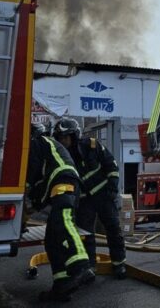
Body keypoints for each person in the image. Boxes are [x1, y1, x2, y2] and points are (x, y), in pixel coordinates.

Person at [52, 117, 127, 279]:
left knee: (113, 229)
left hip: (104, 196)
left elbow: (111, 165)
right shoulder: (61, 158)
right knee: (86, 235)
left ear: (74, 135)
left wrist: (112, 188)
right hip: (84, 201)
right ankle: (89, 268)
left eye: (66, 137)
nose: (64, 141)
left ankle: (119, 264)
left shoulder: (92, 146)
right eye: (61, 138)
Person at [26, 126, 93, 301]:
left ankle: (81, 265)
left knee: (63, 221)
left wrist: (26, 190)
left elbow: (32, 174)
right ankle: (61, 285)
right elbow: (41, 186)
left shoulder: (37, 143)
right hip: (61, 185)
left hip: (64, 182)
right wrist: (32, 205)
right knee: (52, 239)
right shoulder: (46, 149)